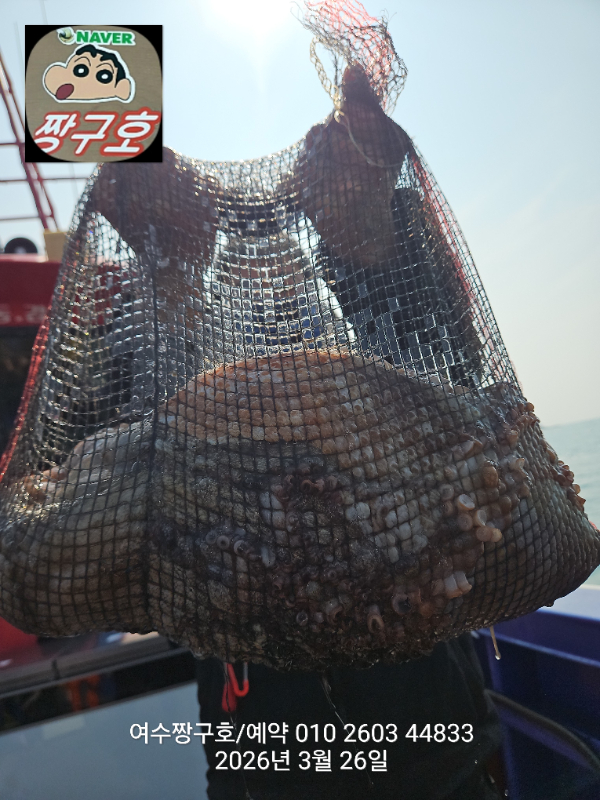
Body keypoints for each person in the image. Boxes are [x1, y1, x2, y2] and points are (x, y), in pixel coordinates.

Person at [194, 216, 503, 800]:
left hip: (433, 756)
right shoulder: (198, 437)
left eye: (285, 282)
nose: (270, 302)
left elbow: (445, 358)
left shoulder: (384, 397)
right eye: (250, 287)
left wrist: (371, 228)